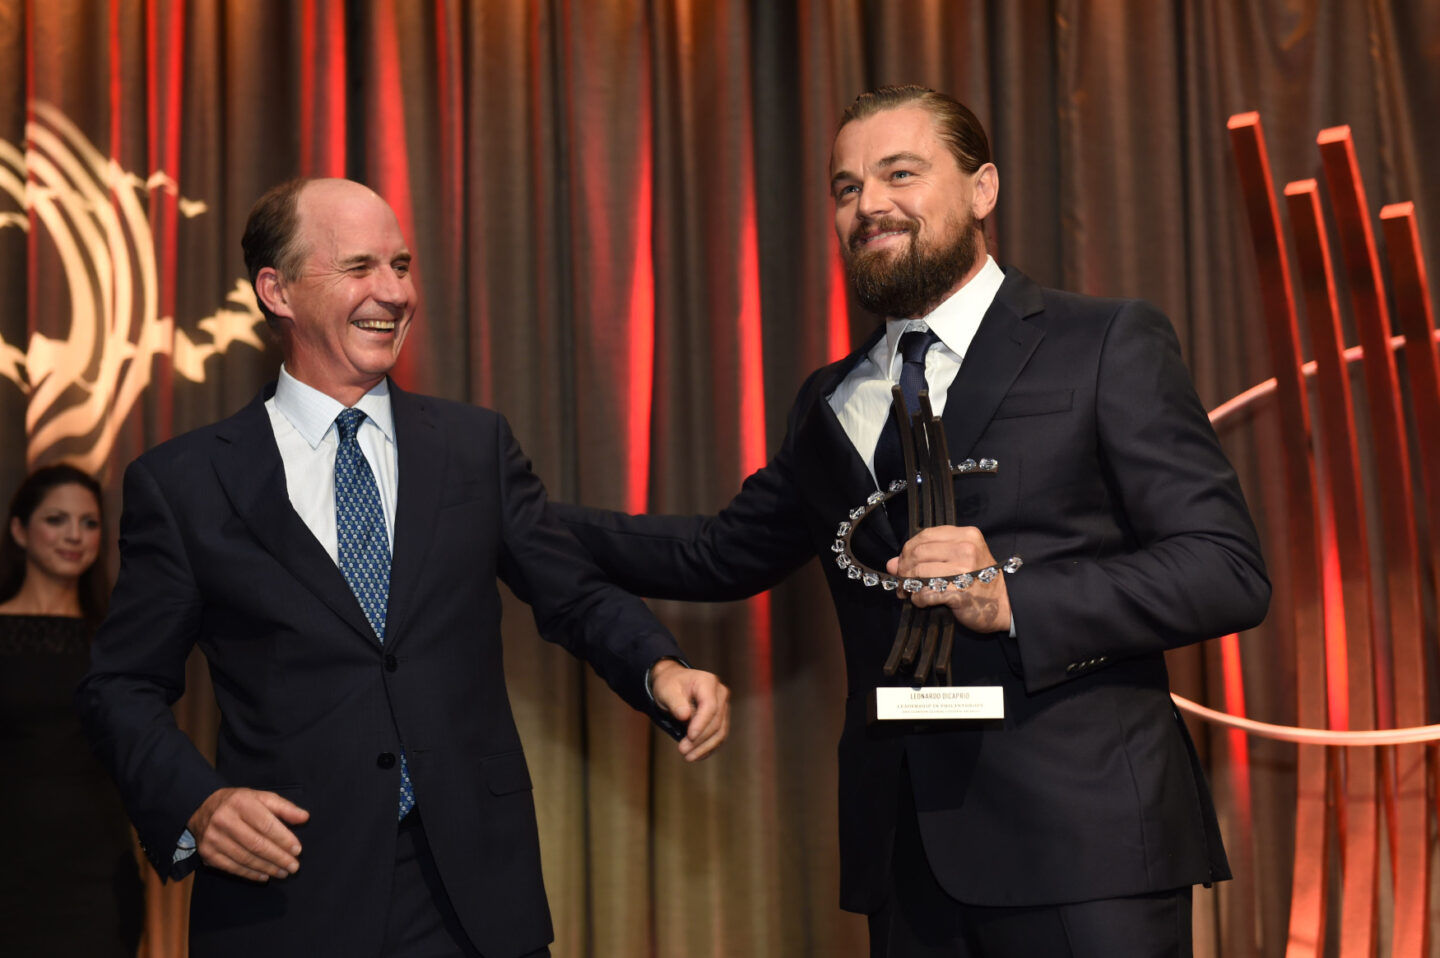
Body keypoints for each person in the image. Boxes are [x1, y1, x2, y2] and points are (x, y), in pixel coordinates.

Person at [556, 85, 1270, 957]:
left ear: (983, 190)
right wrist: (515, 516)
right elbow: (716, 554)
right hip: (906, 863)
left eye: (901, 173)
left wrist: (1013, 597)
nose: (870, 206)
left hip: (1089, 854)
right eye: (846, 187)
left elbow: (1225, 570)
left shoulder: (1106, 343)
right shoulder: (829, 400)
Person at [78, 177, 730, 958]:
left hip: (473, 897)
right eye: (360, 267)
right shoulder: (183, 483)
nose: (395, 291)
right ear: (276, 291)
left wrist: (658, 667)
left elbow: (573, 592)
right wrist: (198, 805)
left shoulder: (472, 448)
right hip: (286, 900)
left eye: (402, 264)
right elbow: (121, 684)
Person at [1, 464, 144, 956]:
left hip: (99, 866)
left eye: (89, 523)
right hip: (10, 864)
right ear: (19, 529)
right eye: (56, 520)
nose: (74, 536)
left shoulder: (118, 639)